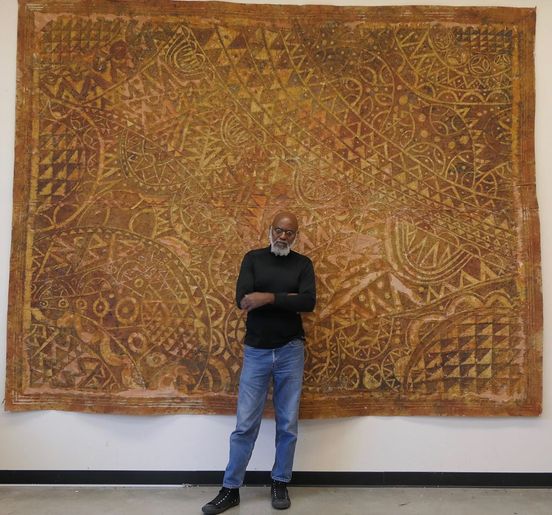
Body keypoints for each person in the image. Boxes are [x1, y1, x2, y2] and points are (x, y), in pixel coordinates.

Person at [201, 211, 316, 514]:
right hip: (257, 350)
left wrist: (266, 298)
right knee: (245, 424)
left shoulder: (303, 264)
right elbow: (242, 299)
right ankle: (230, 489)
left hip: (291, 350)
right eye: (278, 230)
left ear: (296, 235)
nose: (283, 236)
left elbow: (308, 302)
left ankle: (280, 481)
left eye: (289, 233)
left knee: (287, 423)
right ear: (270, 230)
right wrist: (282, 297)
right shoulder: (253, 258)